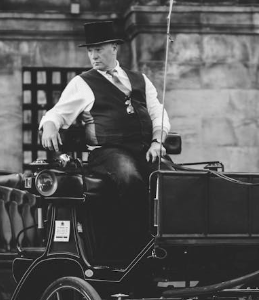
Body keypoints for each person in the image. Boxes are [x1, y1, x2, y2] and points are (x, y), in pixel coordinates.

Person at [38, 20, 171, 256]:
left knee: (172, 178)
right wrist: (49, 127)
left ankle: (173, 243)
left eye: (98, 49)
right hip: (108, 152)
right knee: (129, 177)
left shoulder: (140, 79)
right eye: (90, 50)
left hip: (144, 150)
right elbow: (57, 113)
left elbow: (158, 114)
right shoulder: (82, 83)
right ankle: (137, 250)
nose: (93, 56)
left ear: (114, 48)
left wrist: (157, 141)